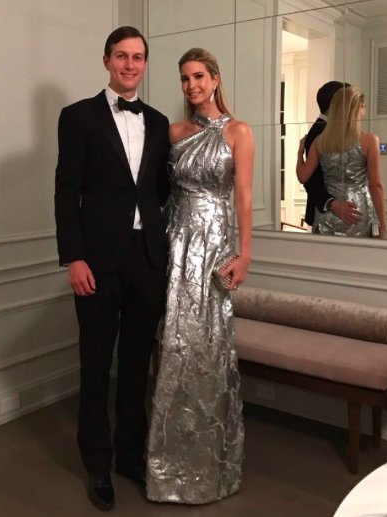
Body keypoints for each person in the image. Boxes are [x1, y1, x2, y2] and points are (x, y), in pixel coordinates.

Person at [54, 26, 170, 511]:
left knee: (138, 364)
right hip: (97, 262)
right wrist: (74, 256)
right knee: (97, 364)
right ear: (106, 61)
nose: (129, 64)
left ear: (145, 64)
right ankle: (97, 463)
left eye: (137, 57)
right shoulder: (78, 116)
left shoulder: (159, 122)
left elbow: (161, 189)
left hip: (148, 259)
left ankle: (129, 455)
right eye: (121, 56)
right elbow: (66, 191)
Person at [146, 48, 254, 504]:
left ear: (215, 80)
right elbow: (154, 190)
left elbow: (243, 197)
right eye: (184, 79)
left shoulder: (238, 131)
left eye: (198, 77)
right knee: (171, 344)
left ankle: (208, 469)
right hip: (173, 242)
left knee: (208, 347)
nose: (191, 86)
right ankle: (166, 469)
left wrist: (244, 254)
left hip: (214, 249)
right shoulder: (174, 132)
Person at [296, 86, 386, 238]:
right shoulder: (370, 140)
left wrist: (300, 154)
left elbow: (302, 177)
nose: (364, 110)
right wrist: (383, 223)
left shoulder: (320, 141)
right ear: (357, 108)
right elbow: (375, 185)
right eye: (363, 106)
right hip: (357, 211)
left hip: (327, 215)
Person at [303, 81, 363, 229]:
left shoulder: (330, 129)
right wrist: (331, 203)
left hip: (343, 212)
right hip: (327, 212)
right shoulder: (320, 132)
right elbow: (310, 179)